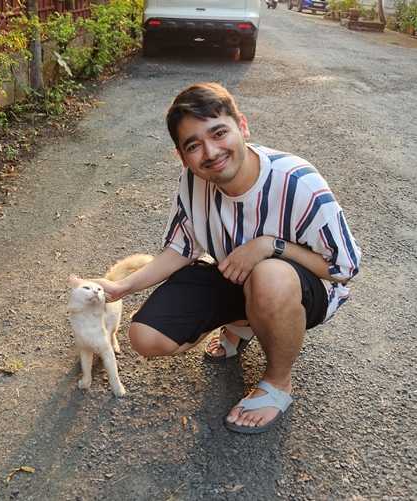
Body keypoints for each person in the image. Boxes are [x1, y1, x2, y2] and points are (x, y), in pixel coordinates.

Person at [94, 82, 361, 434]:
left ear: (243, 126)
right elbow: (181, 248)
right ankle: (244, 319)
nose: (211, 152)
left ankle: (278, 382)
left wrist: (271, 245)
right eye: (194, 145)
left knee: (270, 276)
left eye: (219, 133)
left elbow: (344, 269)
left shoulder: (298, 182)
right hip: (234, 274)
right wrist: (121, 287)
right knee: (145, 336)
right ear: (182, 156)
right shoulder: (193, 181)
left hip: (300, 289)